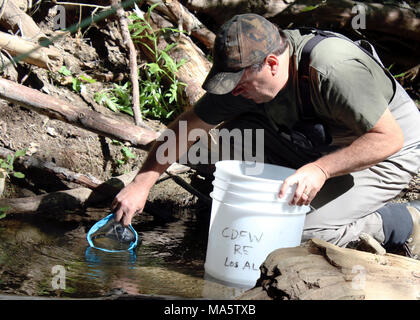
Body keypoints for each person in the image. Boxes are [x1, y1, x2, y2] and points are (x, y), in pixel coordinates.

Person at [111, 14, 420, 258]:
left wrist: (321, 170)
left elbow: (388, 139)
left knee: (298, 234)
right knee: (218, 146)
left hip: (386, 148)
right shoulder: (247, 75)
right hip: (315, 139)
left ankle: (401, 221)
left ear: (272, 64)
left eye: (238, 83)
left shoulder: (331, 69)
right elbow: (186, 128)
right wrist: (141, 184)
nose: (234, 91)